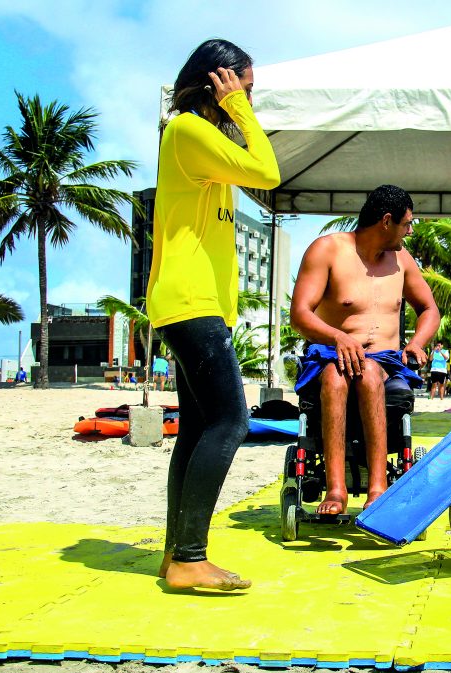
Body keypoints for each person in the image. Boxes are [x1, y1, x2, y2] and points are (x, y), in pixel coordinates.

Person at [146, 39, 280, 591]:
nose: (247, 100)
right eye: (243, 88)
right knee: (232, 422)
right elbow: (268, 172)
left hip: (198, 304)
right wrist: (240, 111)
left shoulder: (199, 142)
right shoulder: (188, 131)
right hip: (190, 301)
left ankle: (178, 552)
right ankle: (189, 558)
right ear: (218, 82)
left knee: (198, 427)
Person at [290, 184, 439, 518]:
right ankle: (336, 490)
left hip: (383, 361)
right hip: (330, 355)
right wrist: (337, 338)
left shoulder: (403, 261)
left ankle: (378, 488)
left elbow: (429, 309)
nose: (411, 231)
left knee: (370, 372)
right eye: (407, 223)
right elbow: (299, 313)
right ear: (387, 221)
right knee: (335, 376)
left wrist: (416, 343)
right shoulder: (328, 250)